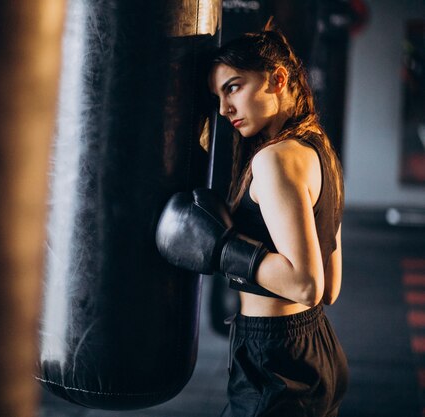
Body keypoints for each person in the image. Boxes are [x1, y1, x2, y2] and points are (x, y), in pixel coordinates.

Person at [155, 19, 348, 417]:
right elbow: (331, 289)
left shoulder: (274, 160)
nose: (224, 109)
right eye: (218, 96)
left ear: (276, 80)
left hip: (275, 360)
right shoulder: (320, 150)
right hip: (315, 347)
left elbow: (307, 284)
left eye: (234, 88)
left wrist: (222, 248)